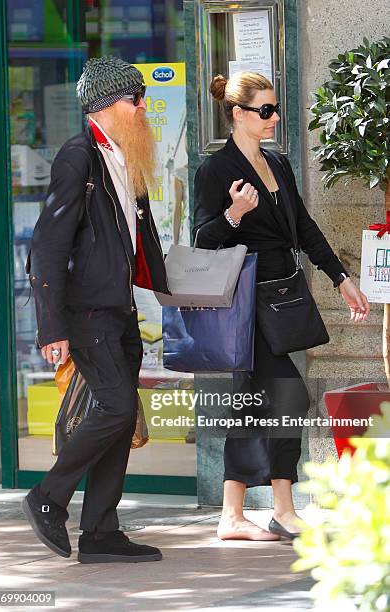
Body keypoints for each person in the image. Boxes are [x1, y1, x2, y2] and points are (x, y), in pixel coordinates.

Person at [193, 71, 370, 542]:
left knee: (257, 404)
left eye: (274, 110)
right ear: (238, 114)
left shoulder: (279, 165)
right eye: (264, 111)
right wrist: (235, 214)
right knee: (284, 397)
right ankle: (275, 508)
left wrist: (340, 277)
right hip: (244, 301)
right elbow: (199, 239)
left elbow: (306, 228)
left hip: (281, 296)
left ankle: (242, 513)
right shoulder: (215, 169)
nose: (273, 119)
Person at [22, 56, 170, 564]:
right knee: (116, 406)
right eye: (134, 99)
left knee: (120, 415)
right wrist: (51, 326)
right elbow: (47, 247)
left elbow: (133, 237)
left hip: (119, 309)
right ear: (108, 105)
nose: (142, 108)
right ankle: (48, 497)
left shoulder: (124, 157)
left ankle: (102, 531)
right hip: (86, 312)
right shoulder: (78, 157)